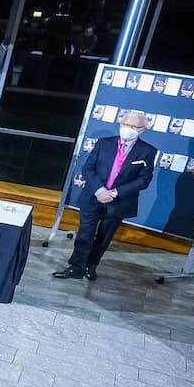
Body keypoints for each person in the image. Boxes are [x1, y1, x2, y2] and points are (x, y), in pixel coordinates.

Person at [54, 110, 159, 281]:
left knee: (104, 236)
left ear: (141, 129)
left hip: (119, 202)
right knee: (85, 233)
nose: (127, 128)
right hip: (93, 196)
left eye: (132, 126)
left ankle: (91, 265)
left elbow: (144, 180)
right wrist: (100, 191)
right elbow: (88, 168)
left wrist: (115, 193)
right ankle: (76, 267)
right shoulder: (104, 144)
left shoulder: (147, 151)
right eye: (124, 124)